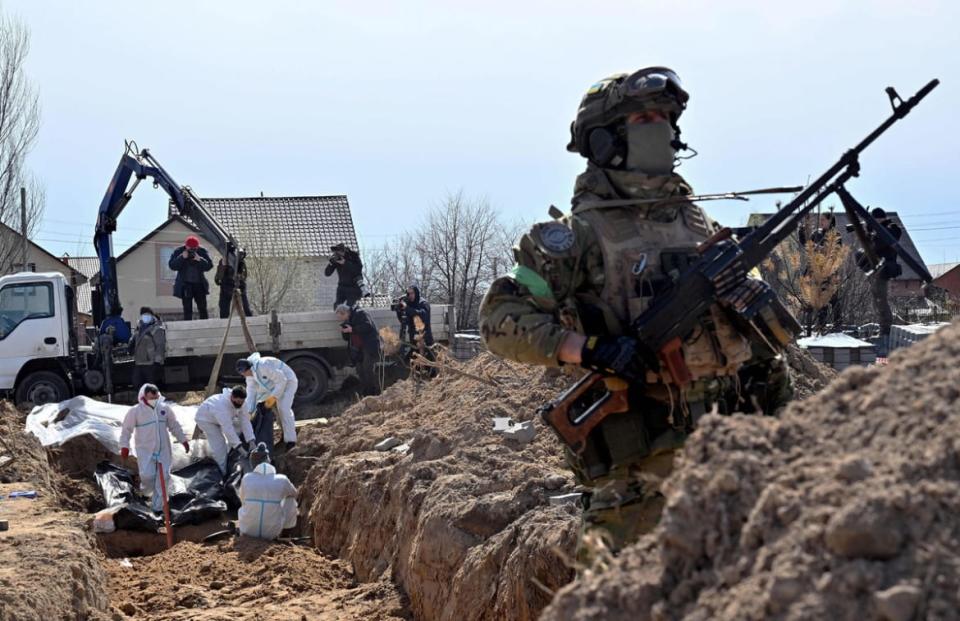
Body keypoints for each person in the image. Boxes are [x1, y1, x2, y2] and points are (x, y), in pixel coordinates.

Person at [478, 67, 793, 562]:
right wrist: (590, 350)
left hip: (728, 459)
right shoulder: (574, 237)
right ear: (604, 140)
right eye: (645, 117)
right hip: (636, 480)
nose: (662, 129)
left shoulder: (697, 222)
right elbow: (499, 320)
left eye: (666, 119)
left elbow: (756, 338)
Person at [119, 383, 190, 512]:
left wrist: (183, 440)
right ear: (144, 397)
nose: (154, 401)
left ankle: (158, 508)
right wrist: (124, 446)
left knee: (164, 479)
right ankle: (146, 493)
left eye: (156, 397)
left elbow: (174, 425)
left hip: (163, 450)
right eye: (151, 398)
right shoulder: (135, 412)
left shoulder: (164, 409)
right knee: (148, 476)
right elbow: (126, 431)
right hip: (145, 450)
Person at [236, 353, 298, 449]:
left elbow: (282, 380)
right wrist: (249, 411)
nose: (244, 375)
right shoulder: (250, 376)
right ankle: (284, 437)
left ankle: (291, 441)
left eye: (244, 372)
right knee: (277, 412)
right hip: (274, 387)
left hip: (288, 382)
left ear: (248, 368)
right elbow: (251, 394)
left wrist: (273, 398)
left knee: (283, 409)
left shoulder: (263, 365)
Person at [238, 442, 298, 540]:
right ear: (268, 461)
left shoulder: (246, 478)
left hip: (248, 531)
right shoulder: (282, 479)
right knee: (290, 499)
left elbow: (242, 500)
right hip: (272, 534)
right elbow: (295, 494)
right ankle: (286, 535)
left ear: (253, 464)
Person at [194, 385, 257, 473]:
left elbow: (245, 421)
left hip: (220, 418)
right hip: (205, 419)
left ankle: (230, 452)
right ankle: (222, 471)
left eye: (242, 402)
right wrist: (240, 449)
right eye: (238, 401)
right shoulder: (221, 406)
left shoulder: (242, 403)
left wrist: (251, 440)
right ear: (232, 397)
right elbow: (228, 429)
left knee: (238, 426)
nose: (240, 404)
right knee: (220, 444)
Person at [336, 303, 382, 396]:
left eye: (340, 316)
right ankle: (366, 391)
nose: (339, 319)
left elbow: (367, 326)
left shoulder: (360, 314)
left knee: (367, 368)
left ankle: (374, 392)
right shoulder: (347, 320)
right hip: (358, 348)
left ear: (345, 313)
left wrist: (352, 329)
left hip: (369, 345)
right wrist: (344, 331)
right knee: (360, 369)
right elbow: (346, 338)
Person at [167, 235, 214, 320]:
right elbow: (172, 266)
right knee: (187, 309)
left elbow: (209, 266)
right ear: (186, 246)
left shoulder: (202, 251)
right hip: (185, 285)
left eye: (194, 248)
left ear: (197, 246)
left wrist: (200, 260)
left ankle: (205, 325)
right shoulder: (179, 251)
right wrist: (181, 258)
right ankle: (188, 325)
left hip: (199, 284)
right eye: (190, 248)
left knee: (202, 307)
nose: (192, 250)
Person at [129, 307, 166, 389]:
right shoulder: (139, 328)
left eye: (147, 315)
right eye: (143, 315)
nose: (145, 317)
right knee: (137, 383)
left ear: (152, 316)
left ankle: (154, 400)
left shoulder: (157, 329)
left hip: (150, 363)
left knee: (151, 386)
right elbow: (135, 340)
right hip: (139, 362)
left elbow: (160, 346)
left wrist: (157, 360)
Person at [324, 243, 364, 309]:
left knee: (350, 308)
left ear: (344, 251)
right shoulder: (336, 258)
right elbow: (327, 273)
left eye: (339, 252)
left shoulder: (353, 256)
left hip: (353, 287)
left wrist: (345, 263)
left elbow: (358, 270)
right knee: (337, 306)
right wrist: (331, 263)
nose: (338, 254)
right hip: (342, 286)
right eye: (336, 252)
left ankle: (352, 317)